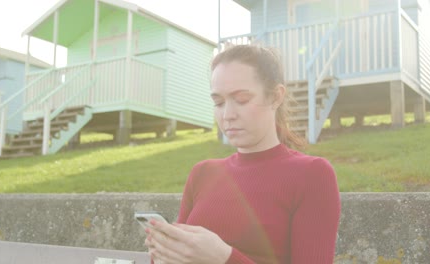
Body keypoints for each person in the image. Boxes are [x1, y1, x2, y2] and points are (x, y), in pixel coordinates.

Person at [144, 44, 341, 264]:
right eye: (218, 102)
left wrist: (224, 258)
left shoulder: (312, 174)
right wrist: (164, 254)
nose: (227, 115)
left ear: (276, 96)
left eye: (242, 100)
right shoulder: (202, 173)